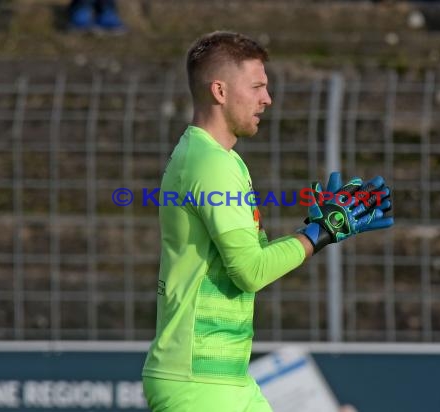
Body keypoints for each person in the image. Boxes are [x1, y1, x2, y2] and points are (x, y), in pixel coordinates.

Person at [141, 31, 394, 412]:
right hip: (198, 383)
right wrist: (320, 232)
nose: (267, 99)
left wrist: (314, 226)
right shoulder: (211, 165)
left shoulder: (220, 158)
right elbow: (251, 272)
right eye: (257, 86)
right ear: (220, 91)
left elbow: (249, 256)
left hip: (224, 378)